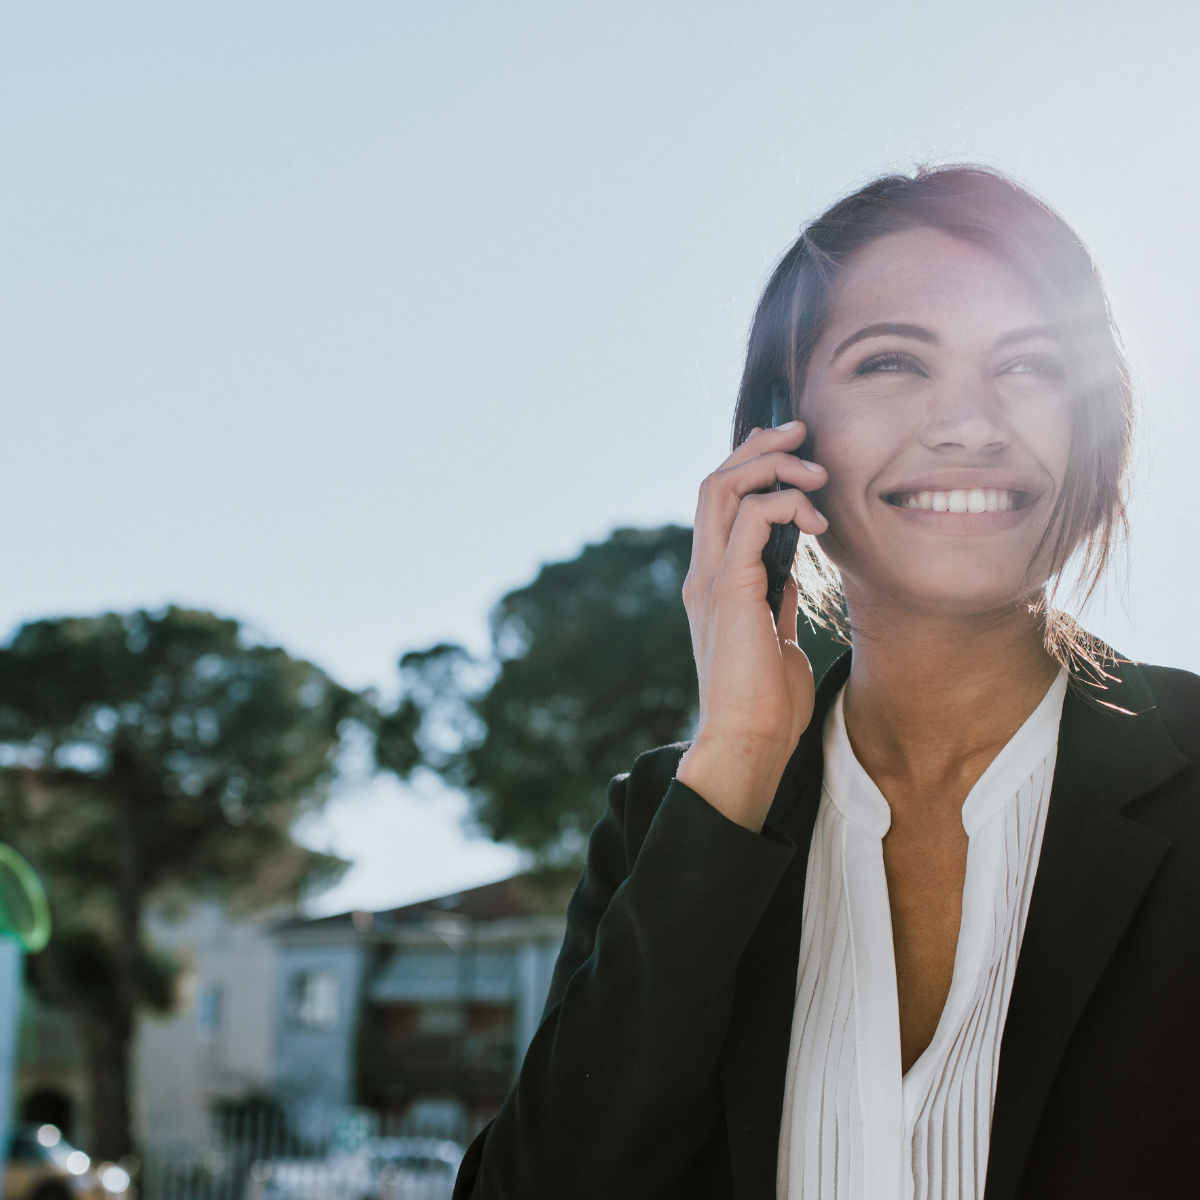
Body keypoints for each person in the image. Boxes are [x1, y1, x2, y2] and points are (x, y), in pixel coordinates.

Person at [451, 166, 1200, 1200]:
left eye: (1028, 365)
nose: (971, 425)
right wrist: (740, 759)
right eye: (893, 362)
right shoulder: (672, 818)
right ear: (780, 434)